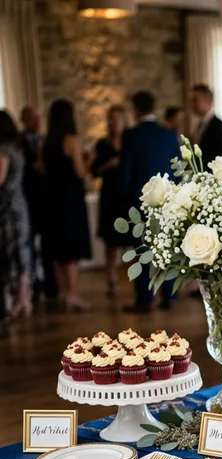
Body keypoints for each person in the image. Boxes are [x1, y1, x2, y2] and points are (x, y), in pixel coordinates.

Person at [119, 90, 180, 312]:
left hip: (140, 200)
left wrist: (125, 199)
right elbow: (177, 168)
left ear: (136, 110)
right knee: (166, 249)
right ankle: (170, 295)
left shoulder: (131, 136)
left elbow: (125, 172)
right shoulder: (169, 134)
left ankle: (145, 299)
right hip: (167, 200)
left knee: (142, 249)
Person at [42, 99, 91, 312]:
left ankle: (63, 291)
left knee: (58, 246)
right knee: (71, 247)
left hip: (52, 198)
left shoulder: (47, 142)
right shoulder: (72, 140)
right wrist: (91, 159)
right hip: (70, 198)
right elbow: (80, 172)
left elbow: (43, 170)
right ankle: (72, 293)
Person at [91, 105, 128, 297]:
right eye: (110, 119)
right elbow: (94, 170)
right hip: (110, 197)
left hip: (127, 196)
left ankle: (138, 282)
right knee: (110, 243)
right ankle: (111, 281)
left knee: (133, 241)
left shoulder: (130, 142)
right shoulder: (102, 145)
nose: (113, 123)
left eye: (117, 119)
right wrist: (108, 165)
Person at [0, 110, 32, 323]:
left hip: (6, 207)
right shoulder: (17, 148)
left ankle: (14, 300)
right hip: (19, 203)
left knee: (9, 252)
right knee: (22, 251)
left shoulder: (2, 150)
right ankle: (24, 298)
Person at [19, 106, 53, 302]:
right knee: (28, 243)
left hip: (46, 198)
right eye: (32, 119)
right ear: (24, 120)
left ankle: (50, 283)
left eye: (38, 118)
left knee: (48, 242)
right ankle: (31, 283)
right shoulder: (17, 141)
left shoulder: (46, 141)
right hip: (27, 198)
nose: (36, 122)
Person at [190, 83, 222, 165]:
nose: (191, 104)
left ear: (208, 101)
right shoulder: (200, 125)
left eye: (195, 100)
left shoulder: (219, 127)